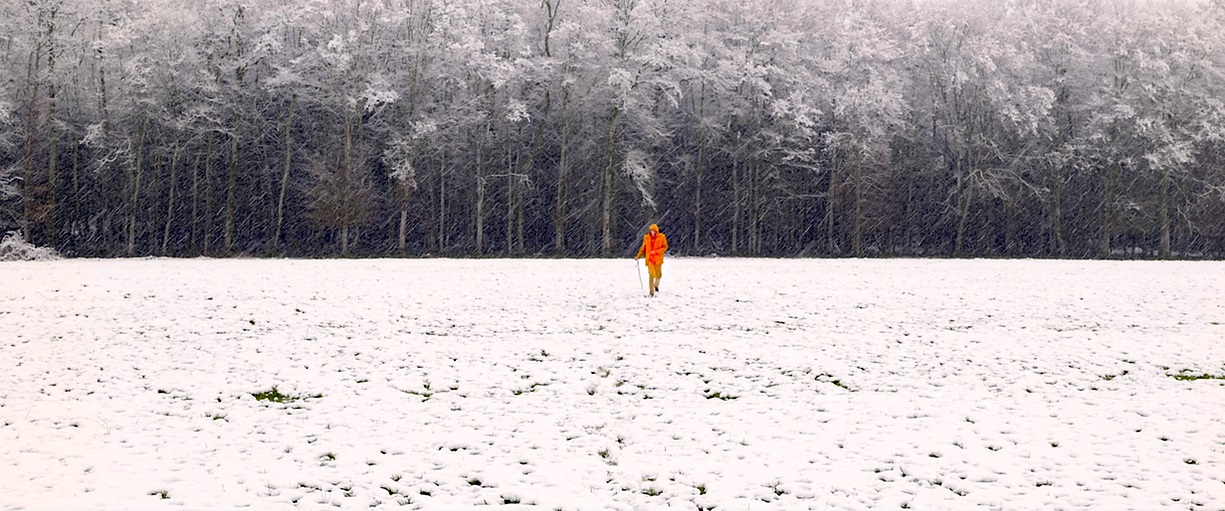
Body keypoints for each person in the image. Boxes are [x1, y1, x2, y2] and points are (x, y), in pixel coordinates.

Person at [634, 223, 668, 297]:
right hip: (649, 259)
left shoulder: (662, 237)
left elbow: (665, 247)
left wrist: (656, 252)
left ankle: (656, 285)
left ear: (656, 231)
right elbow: (643, 248)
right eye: (651, 231)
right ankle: (651, 292)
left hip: (658, 259)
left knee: (659, 275)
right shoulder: (646, 238)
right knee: (652, 274)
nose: (652, 233)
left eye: (654, 231)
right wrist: (638, 256)